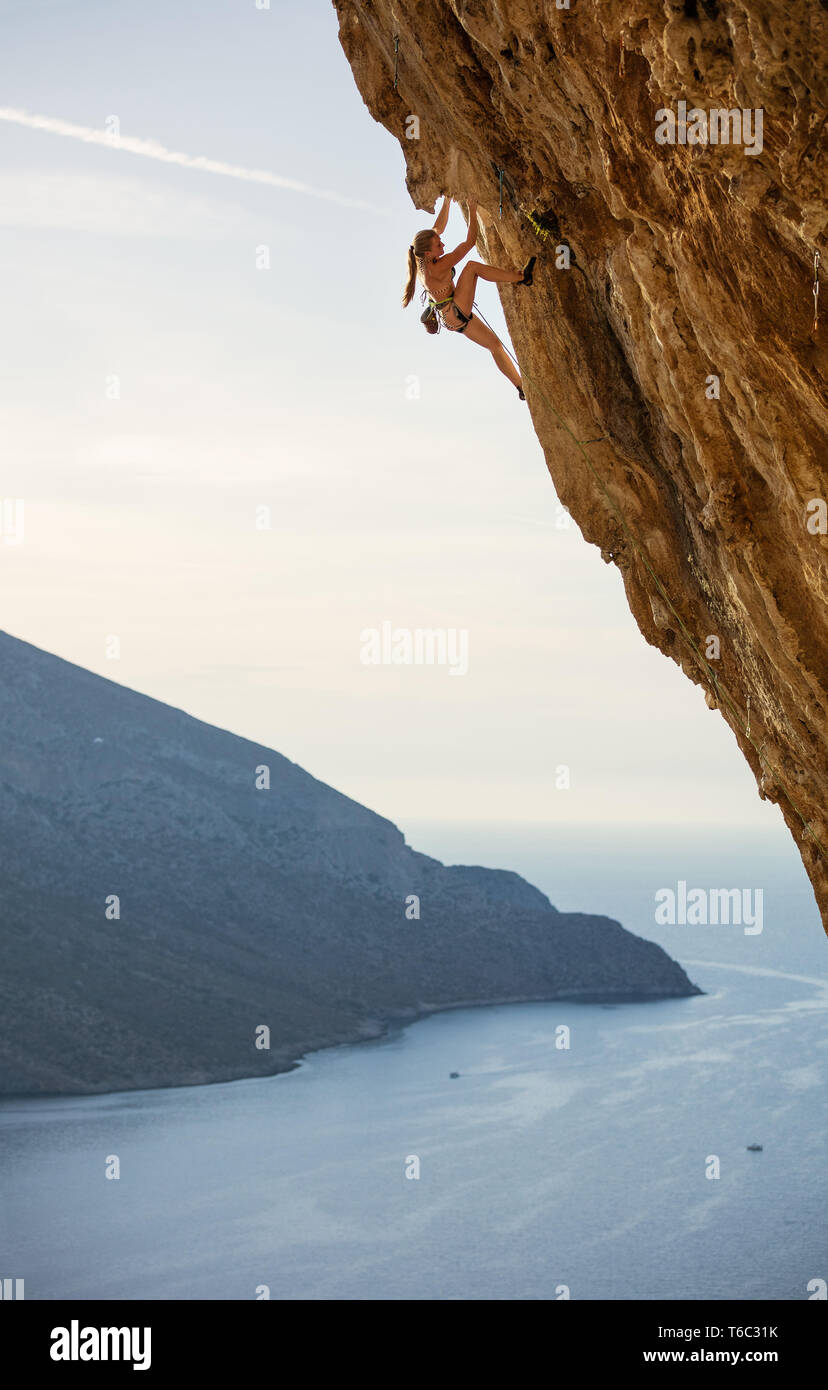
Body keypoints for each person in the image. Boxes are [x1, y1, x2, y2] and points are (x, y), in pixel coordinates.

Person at [402, 195, 536, 399]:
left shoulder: (419, 254)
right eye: (439, 246)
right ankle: (520, 278)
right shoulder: (436, 268)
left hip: (452, 317)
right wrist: (471, 210)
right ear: (429, 253)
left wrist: (447, 201)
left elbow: (437, 229)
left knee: (495, 346)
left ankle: (521, 388)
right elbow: (470, 242)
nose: (443, 246)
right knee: (472, 267)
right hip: (454, 311)